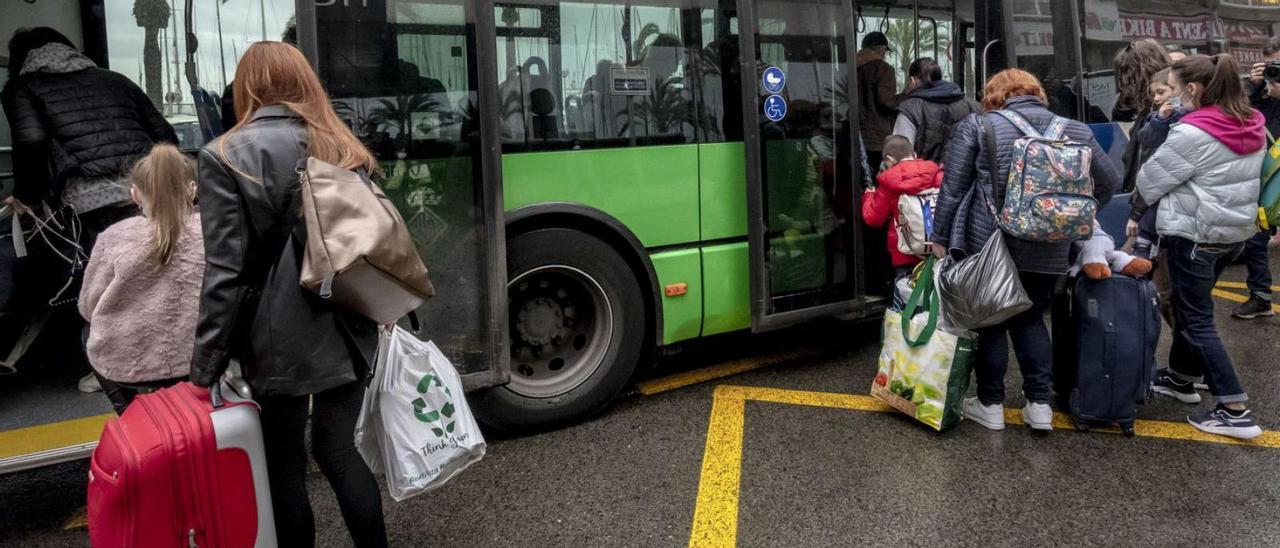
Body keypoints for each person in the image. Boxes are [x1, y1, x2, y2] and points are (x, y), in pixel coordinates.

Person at [189, 42, 388, 547]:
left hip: (277, 336)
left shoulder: (222, 156)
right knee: (339, 449)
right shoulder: (341, 145)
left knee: (283, 461)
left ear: (247, 87)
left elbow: (226, 273)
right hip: (349, 320)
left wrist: (204, 366)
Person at [929, 69, 1120, 432]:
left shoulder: (979, 126)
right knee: (1032, 318)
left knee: (992, 321)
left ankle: (990, 403)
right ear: (1037, 93)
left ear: (994, 96)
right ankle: (1039, 406)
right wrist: (1073, 216)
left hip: (990, 241)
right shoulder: (1075, 129)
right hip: (1050, 244)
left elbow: (953, 189)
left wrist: (940, 237)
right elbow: (1109, 180)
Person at [2, 27, 178, 392]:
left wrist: (27, 197)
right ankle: (169, 360)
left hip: (90, 200)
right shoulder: (114, 79)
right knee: (156, 274)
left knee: (103, 284)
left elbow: (31, 141)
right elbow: (165, 133)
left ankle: (111, 369)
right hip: (147, 190)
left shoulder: (24, 86)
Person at [1138, 54, 1265, 440]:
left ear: (1192, 90)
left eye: (1174, 90)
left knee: (1196, 320)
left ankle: (1234, 408)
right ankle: (1181, 377)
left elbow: (1147, 183)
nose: (1171, 99)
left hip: (1194, 234)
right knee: (1192, 307)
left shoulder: (1192, 132)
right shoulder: (1249, 123)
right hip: (1231, 234)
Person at [78, 144, 202, 414]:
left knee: (87, 331)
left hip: (127, 366)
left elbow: (88, 307)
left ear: (135, 194)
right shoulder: (213, 232)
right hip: (198, 361)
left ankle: (130, 414)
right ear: (193, 190)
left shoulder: (114, 236)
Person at [1232, 38, 1280, 320]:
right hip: (1265, 174)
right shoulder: (1262, 93)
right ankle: (1260, 295)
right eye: (1270, 66)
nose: (1274, 72)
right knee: (1255, 236)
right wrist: (1255, 86)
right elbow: (1242, 118)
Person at [861, 134, 942, 299]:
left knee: (907, 300)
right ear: (913, 153)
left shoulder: (888, 182)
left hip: (905, 254)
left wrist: (868, 196)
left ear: (889, 159)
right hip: (937, 249)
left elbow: (873, 219)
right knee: (934, 299)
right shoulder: (936, 174)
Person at [1126, 67, 1185, 259]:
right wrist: (1161, 119)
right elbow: (1146, 138)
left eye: (1162, 92)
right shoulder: (1157, 117)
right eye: (1154, 94)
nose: (1156, 99)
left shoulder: (1187, 120)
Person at [892, 57, 980, 163]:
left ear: (912, 81)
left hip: (923, 177)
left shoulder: (910, 109)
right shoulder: (973, 106)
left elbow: (899, 153)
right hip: (962, 176)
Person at [857, 31, 897, 172]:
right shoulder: (883, 69)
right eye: (885, 50)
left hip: (857, 137)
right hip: (877, 139)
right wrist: (907, 94)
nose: (885, 54)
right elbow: (887, 102)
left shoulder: (854, 67)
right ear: (880, 48)